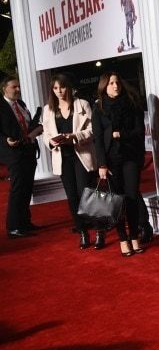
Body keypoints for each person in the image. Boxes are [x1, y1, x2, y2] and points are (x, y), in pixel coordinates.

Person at [41, 74, 102, 249]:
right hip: (62, 158)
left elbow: (92, 130)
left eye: (62, 87)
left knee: (87, 195)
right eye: (55, 88)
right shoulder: (48, 109)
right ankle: (83, 231)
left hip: (82, 156)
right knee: (72, 197)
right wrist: (51, 141)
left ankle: (99, 230)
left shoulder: (82, 104)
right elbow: (46, 133)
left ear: (68, 87)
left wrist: (74, 137)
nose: (59, 91)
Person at [93, 72, 147, 257]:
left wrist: (120, 134)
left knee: (131, 198)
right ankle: (123, 239)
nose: (115, 86)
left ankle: (134, 236)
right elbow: (98, 139)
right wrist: (101, 164)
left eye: (117, 82)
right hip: (110, 160)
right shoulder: (99, 108)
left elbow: (139, 131)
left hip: (130, 156)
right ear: (104, 87)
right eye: (111, 83)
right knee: (116, 202)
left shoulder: (132, 104)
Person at [1, 77, 42, 238]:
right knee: (17, 189)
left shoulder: (22, 104)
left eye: (19, 86)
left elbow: (26, 125)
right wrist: (6, 140)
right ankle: (13, 227)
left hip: (28, 150)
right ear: (4, 88)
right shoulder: (1, 106)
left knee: (27, 187)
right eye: (14, 87)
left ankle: (25, 223)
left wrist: (36, 129)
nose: (18, 89)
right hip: (13, 153)